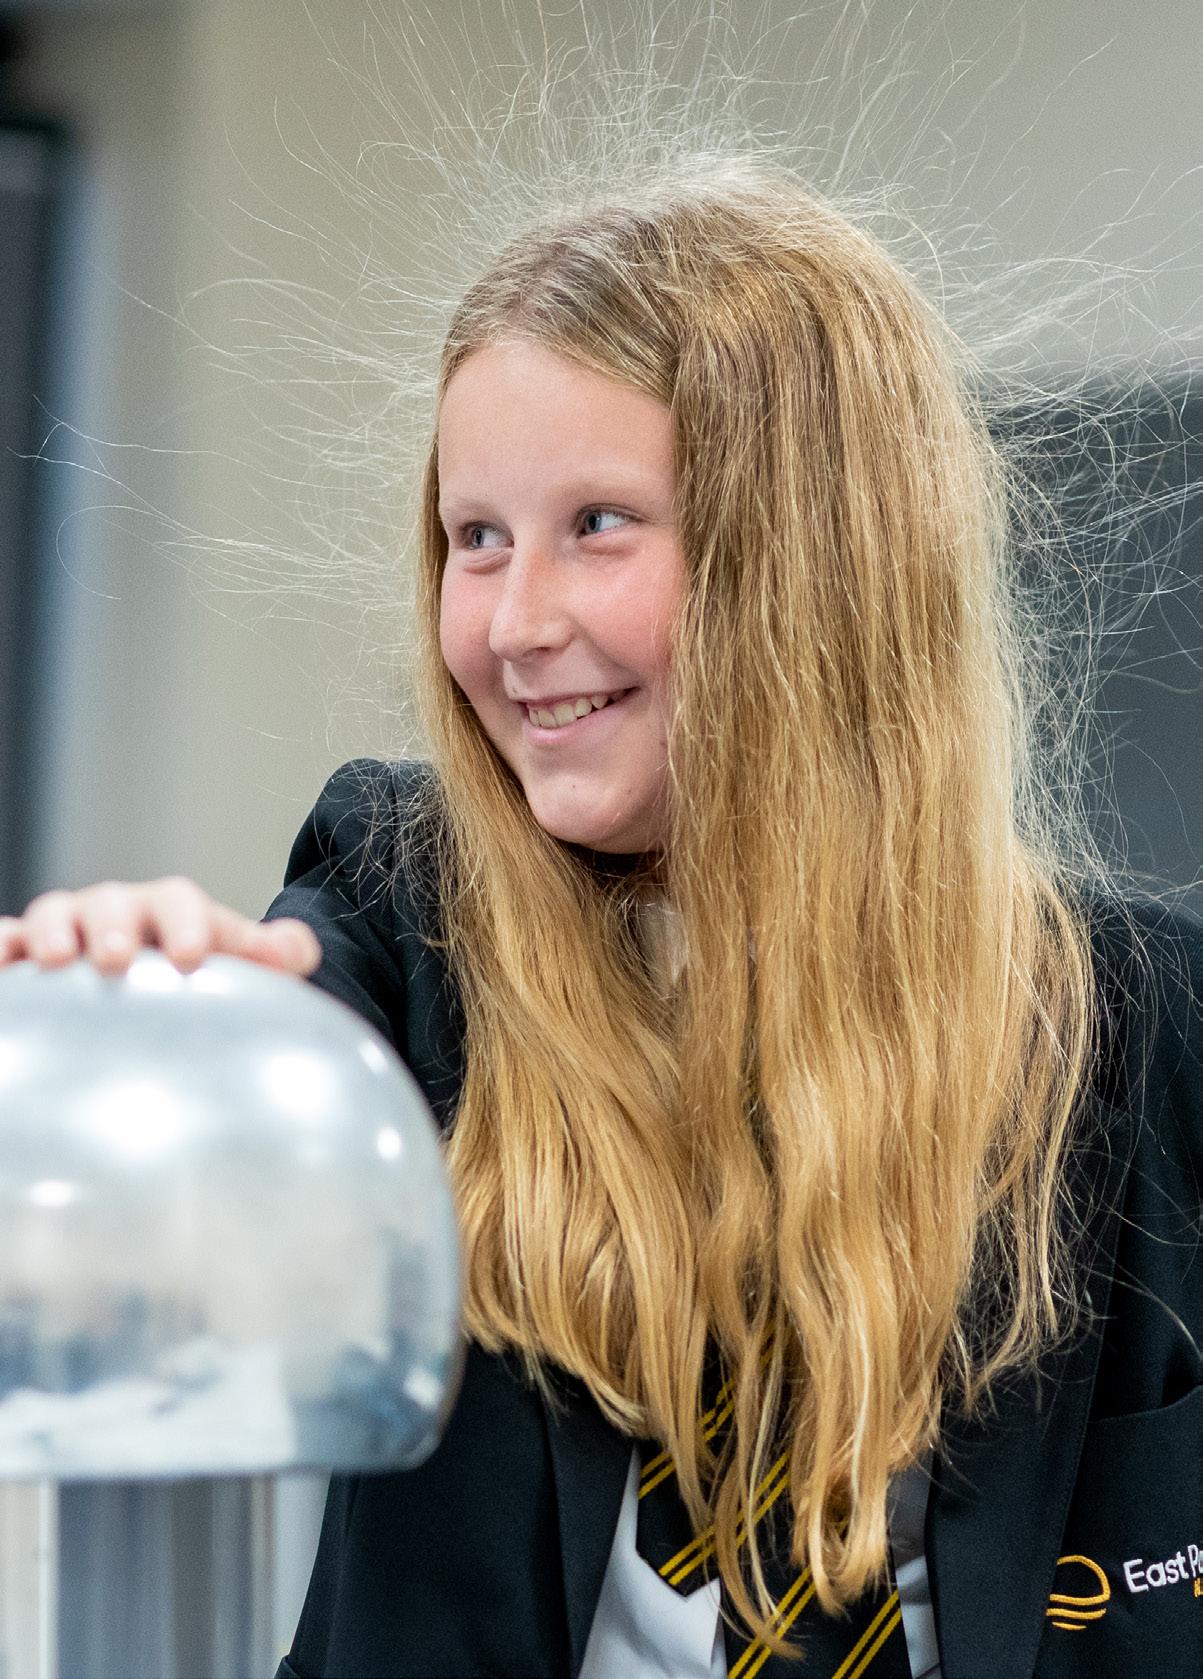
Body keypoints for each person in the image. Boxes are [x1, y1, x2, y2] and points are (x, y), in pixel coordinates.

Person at [2, 160, 1201, 1679]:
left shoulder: (1145, 1023)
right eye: (477, 538)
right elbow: (244, 1114)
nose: (515, 624)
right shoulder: (404, 907)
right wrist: (167, 1016)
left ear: (816, 563)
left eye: (599, 525)